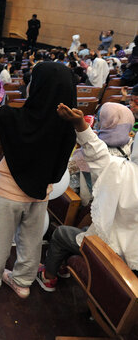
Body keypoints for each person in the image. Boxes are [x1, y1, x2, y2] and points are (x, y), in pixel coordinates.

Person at [0, 40, 77, 302]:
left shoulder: (12, 118)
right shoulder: (70, 127)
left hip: (8, 192)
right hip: (42, 192)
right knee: (31, 239)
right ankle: (23, 282)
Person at [36, 103, 138, 292]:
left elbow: (69, 174)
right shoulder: (129, 147)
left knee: (61, 234)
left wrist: (80, 124)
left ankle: (48, 276)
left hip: (104, 235)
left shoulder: (120, 169)